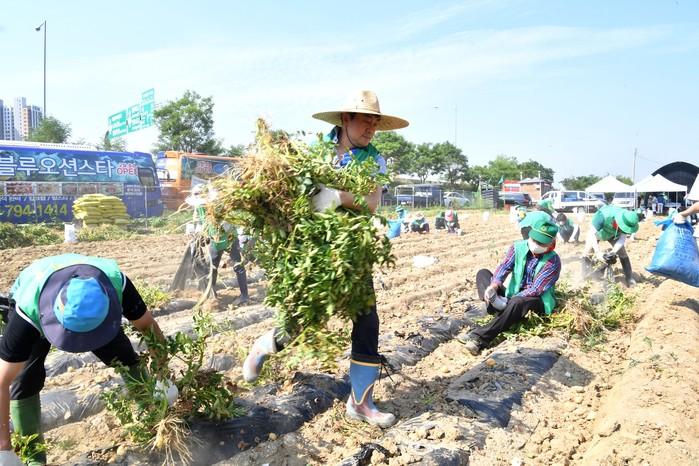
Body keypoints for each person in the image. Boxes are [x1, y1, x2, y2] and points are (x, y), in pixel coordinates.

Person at [242, 90, 408, 428]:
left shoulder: (375, 160)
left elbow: (371, 203)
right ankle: (265, 345)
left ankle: (360, 403)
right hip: (313, 249)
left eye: (375, 123)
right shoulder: (316, 151)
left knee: (367, 321)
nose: (371, 129)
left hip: (352, 249)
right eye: (365, 121)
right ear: (345, 119)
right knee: (306, 317)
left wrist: (338, 197)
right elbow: (287, 191)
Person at [0, 254, 175, 466]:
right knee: (25, 380)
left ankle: (155, 420)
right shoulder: (27, 312)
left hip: (94, 306)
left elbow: (148, 327)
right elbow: (2, 381)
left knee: (125, 358)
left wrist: (163, 376)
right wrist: (4, 447)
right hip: (36, 294)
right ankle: (33, 457)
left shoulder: (116, 284)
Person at [457, 217, 562, 355]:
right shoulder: (517, 247)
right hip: (513, 295)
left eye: (541, 243)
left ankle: (480, 338)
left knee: (517, 302)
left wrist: (509, 301)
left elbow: (536, 289)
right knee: (483, 274)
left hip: (536, 300)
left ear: (550, 244)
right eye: (535, 240)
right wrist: (494, 286)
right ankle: (498, 307)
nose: (536, 244)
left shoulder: (553, 261)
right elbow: (504, 267)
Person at [582, 205, 639, 287]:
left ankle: (629, 278)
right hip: (599, 232)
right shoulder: (603, 216)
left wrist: (613, 252)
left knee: (623, 253)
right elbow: (591, 234)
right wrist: (598, 252)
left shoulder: (626, 221)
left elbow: (622, 238)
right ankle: (585, 274)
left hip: (613, 235)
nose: (623, 230)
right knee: (588, 252)